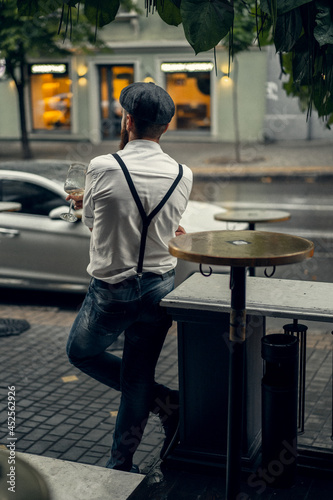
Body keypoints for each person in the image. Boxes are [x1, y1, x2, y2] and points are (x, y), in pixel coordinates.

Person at [66, 82, 193, 473]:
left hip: (112, 292)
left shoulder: (103, 166)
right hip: (160, 289)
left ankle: (162, 404)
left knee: (80, 352)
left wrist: (89, 200)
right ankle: (123, 459)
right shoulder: (183, 173)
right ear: (165, 128)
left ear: (127, 120)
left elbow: (91, 224)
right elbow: (165, 224)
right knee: (137, 379)